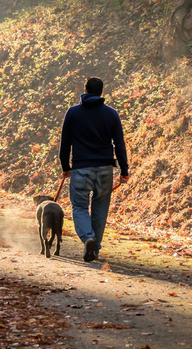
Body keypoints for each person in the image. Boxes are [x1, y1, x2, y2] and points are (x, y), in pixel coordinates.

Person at [59, 77, 129, 262]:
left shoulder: (73, 113)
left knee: (80, 206)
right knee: (100, 208)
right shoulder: (111, 114)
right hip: (105, 169)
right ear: (101, 92)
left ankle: (88, 237)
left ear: (85, 90)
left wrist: (66, 166)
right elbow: (119, 144)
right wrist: (124, 170)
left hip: (81, 169)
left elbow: (65, 142)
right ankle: (95, 248)